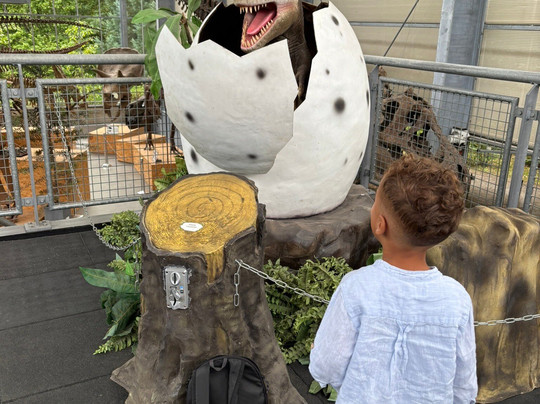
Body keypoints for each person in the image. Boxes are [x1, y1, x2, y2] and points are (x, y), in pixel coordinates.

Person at [309, 154, 477, 403]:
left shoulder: (356, 288)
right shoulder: (457, 299)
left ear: (380, 224)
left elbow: (326, 367)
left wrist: (317, 356)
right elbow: (464, 388)